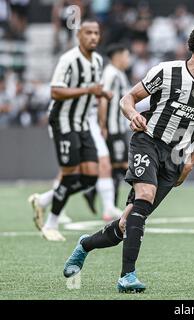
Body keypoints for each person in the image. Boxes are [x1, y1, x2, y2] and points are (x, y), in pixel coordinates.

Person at [62, 24, 194, 293]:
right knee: (146, 194)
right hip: (147, 141)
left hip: (175, 157)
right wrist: (133, 114)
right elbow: (128, 99)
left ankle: (85, 245)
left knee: (129, 222)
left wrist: (191, 161)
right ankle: (127, 276)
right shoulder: (166, 72)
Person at [28, 20, 110, 241]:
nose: (93, 37)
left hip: (83, 123)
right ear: (79, 36)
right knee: (69, 173)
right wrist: (89, 90)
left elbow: (96, 89)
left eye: (96, 33)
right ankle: (50, 224)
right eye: (88, 33)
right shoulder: (69, 60)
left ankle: (44, 200)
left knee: (90, 178)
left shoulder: (99, 61)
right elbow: (55, 91)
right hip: (63, 122)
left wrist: (102, 95)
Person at [84, 44, 131, 209]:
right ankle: (108, 204)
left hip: (119, 127)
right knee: (119, 166)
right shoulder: (110, 74)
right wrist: (103, 125)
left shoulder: (120, 74)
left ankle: (97, 195)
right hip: (113, 129)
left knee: (117, 166)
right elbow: (103, 100)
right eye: (126, 55)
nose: (128, 59)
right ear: (117, 56)